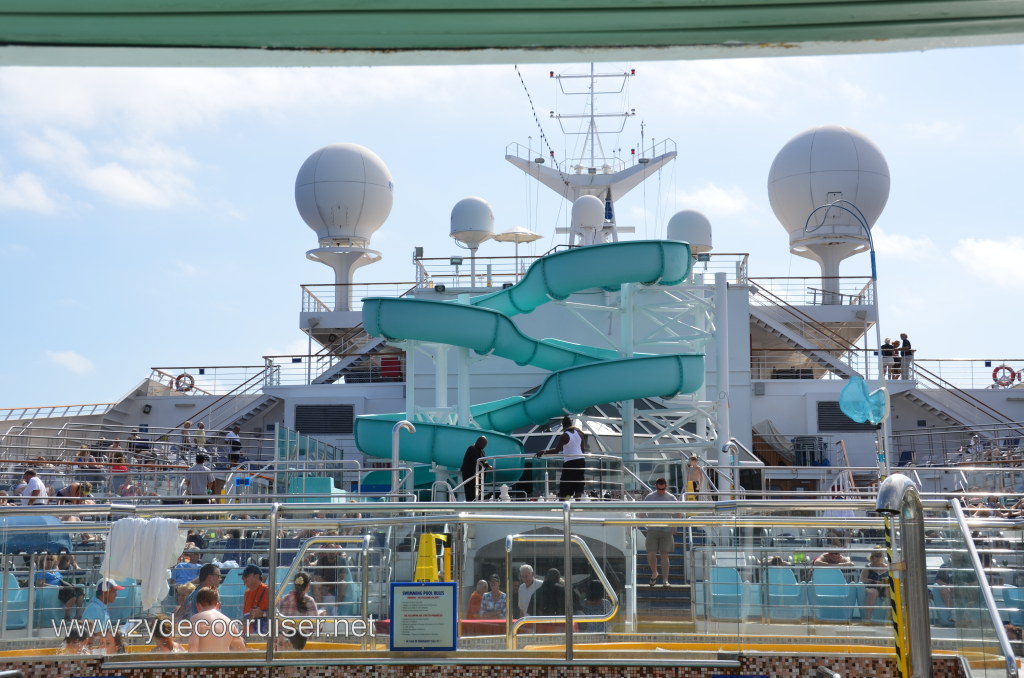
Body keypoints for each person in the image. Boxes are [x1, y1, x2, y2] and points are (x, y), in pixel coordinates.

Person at [536, 416, 587, 499]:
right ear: (570, 424)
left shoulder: (564, 436)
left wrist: (544, 452)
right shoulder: (580, 434)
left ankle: (566, 501)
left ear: (563, 425)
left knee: (566, 486)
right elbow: (582, 449)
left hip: (570, 462)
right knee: (579, 484)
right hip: (581, 461)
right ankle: (578, 503)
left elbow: (556, 450)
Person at [187, 587, 246, 653]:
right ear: (218, 605)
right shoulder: (229, 622)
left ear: (198, 606)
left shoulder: (196, 619)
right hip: (223, 662)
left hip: (204, 662)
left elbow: (193, 648)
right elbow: (242, 650)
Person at [643, 478, 679, 586]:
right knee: (651, 553)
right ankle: (654, 573)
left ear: (666, 486)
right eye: (659, 489)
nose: (661, 491)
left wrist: (675, 526)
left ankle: (665, 580)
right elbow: (641, 510)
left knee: (664, 555)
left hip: (666, 530)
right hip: (652, 529)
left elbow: (679, 512)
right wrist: (640, 521)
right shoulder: (649, 497)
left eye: (663, 489)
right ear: (656, 486)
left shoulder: (671, 497)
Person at [35, 554, 85, 621]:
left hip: (62, 588)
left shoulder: (55, 571)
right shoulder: (41, 572)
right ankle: (67, 616)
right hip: (53, 591)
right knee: (72, 593)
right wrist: (56, 587)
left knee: (80, 591)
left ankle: (78, 615)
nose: (49, 561)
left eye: (51, 559)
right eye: (47, 559)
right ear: (42, 561)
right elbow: (41, 584)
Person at [460, 436, 490, 502]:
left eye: (485, 444)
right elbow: (477, 460)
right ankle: (471, 507)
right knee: (470, 493)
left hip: (478, 476)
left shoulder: (482, 451)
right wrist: (487, 466)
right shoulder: (471, 448)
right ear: (478, 442)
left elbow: (483, 460)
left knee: (477, 493)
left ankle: (477, 505)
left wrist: (486, 465)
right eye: (483, 444)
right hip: (469, 475)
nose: (484, 446)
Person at [861, 549, 888, 620]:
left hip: (883, 587)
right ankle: (868, 618)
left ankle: (889, 617)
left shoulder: (887, 567)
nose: (878, 558)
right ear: (872, 557)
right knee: (873, 593)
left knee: (890, 592)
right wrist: (874, 581)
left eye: (880, 556)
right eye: (877, 556)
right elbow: (863, 579)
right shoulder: (867, 567)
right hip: (870, 587)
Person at [241, 564, 269, 635]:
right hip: (248, 634)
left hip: (263, 635)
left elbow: (277, 614)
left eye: (246, 576)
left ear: (256, 576)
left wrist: (263, 614)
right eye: (243, 577)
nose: (243, 578)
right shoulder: (246, 593)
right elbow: (245, 615)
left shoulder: (269, 591)